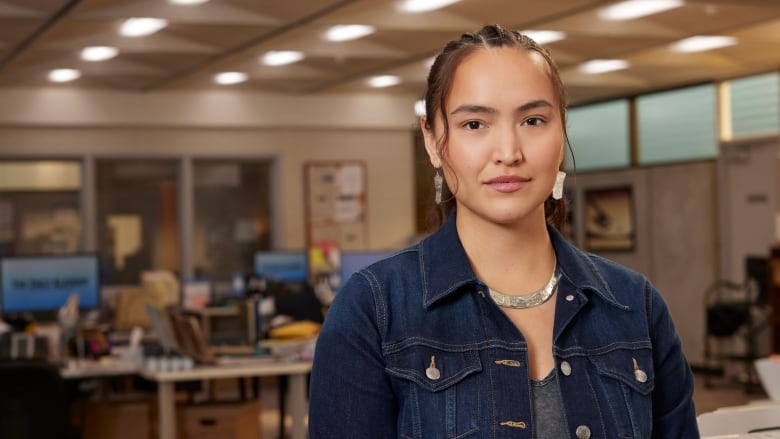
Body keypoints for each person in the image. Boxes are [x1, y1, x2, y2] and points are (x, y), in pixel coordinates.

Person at [308, 24, 699, 438]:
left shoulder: (633, 305)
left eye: (533, 120)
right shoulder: (374, 309)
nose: (509, 153)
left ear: (561, 129)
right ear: (433, 140)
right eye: (475, 124)